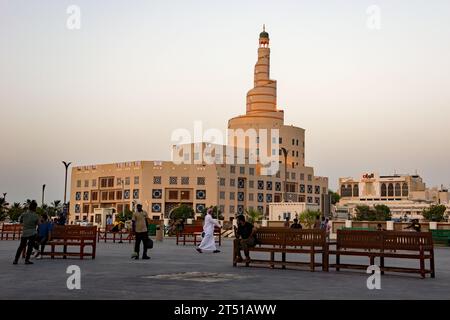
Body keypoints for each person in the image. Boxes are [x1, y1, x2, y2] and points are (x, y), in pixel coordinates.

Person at [13, 200, 39, 265]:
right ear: (35, 208)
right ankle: (27, 260)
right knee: (30, 246)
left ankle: (16, 260)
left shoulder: (24, 214)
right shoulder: (35, 215)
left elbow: (20, 220)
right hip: (32, 232)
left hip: (24, 232)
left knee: (21, 246)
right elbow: (38, 224)